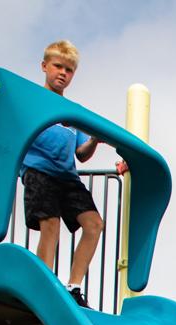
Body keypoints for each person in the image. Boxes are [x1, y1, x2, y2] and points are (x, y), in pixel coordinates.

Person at [21, 39, 127, 308]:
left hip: (67, 177)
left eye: (69, 70)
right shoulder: (31, 101)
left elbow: (80, 154)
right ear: (44, 66)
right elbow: (16, 132)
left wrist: (94, 140)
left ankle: (73, 285)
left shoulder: (71, 113)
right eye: (58, 66)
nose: (63, 74)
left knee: (94, 224)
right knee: (51, 224)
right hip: (39, 171)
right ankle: (44, 286)